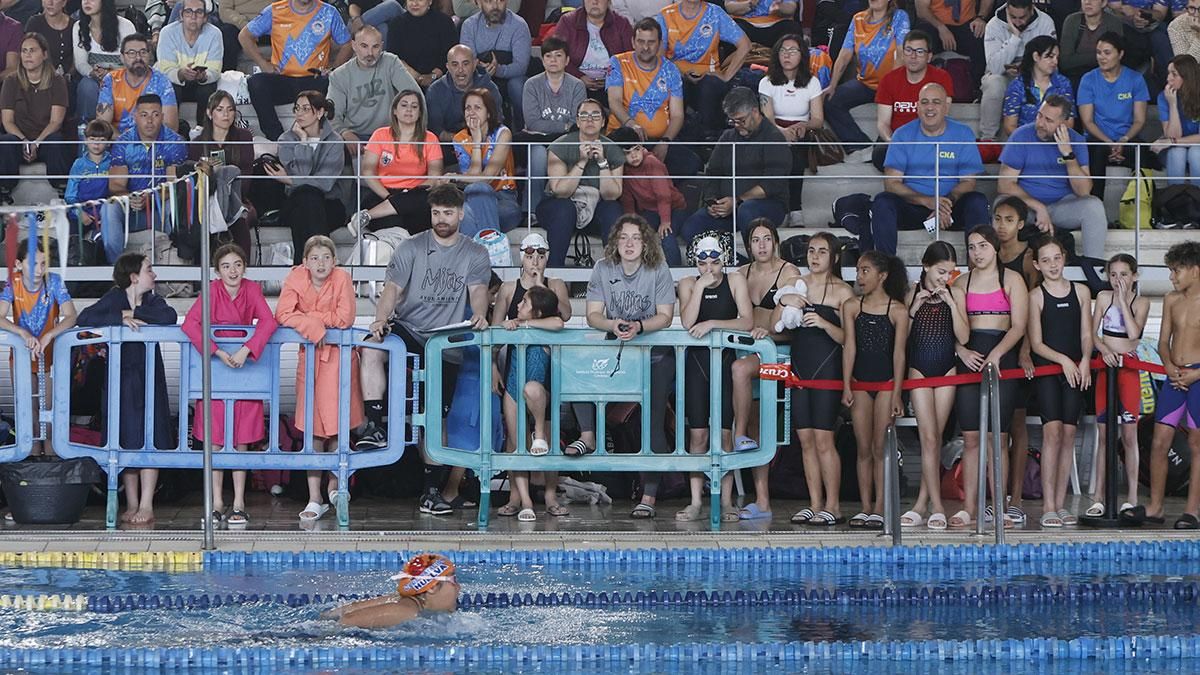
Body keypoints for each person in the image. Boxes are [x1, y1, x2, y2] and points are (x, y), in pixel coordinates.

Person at [357, 184, 492, 517]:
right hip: (410, 329)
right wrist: (379, 319)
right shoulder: (411, 247)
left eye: (447, 213)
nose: (441, 219)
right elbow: (392, 290)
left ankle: (432, 492)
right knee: (372, 344)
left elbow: (478, 292)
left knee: (435, 418)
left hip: (444, 340)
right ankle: (373, 424)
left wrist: (479, 313)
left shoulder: (475, 253)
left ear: (460, 214)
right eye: (436, 213)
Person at [578, 214, 676, 520]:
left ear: (645, 241)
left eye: (636, 237)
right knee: (576, 374)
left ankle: (649, 494)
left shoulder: (658, 268)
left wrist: (639, 326)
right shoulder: (603, 268)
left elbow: (665, 316)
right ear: (615, 242)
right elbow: (593, 314)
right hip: (616, 345)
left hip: (653, 349)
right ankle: (587, 434)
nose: (630, 243)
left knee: (653, 420)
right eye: (624, 238)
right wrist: (613, 323)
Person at [74, 253, 176, 524]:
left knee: (150, 437)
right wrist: (120, 317)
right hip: (120, 379)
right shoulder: (114, 298)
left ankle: (147, 504)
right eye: (149, 269)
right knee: (124, 437)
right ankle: (131, 502)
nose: (153, 274)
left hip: (149, 378)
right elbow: (85, 317)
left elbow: (169, 316)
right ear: (134, 277)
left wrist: (137, 313)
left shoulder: (154, 302)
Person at [182, 243, 277, 527]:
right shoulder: (211, 290)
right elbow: (190, 324)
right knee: (215, 440)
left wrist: (246, 349)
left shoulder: (252, 289)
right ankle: (215, 502)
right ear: (217, 271)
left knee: (241, 441)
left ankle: (238, 501)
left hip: (244, 370)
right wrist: (218, 351)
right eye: (226, 266)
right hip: (217, 369)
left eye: (237, 264)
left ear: (244, 267)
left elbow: (269, 322)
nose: (232, 271)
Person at [275, 235, 362, 523]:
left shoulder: (342, 278)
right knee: (312, 430)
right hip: (310, 360)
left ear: (334, 260)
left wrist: (310, 316)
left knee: (337, 428)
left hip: (338, 361)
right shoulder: (295, 278)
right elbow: (283, 313)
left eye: (326, 257)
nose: (321, 263)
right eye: (315, 258)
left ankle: (336, 489)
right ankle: (315, 498)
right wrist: (312, 324)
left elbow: (345, 317)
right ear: (305, 262)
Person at [772, 231, 855, 526]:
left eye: (821, 251)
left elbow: (848, 339)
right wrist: (785, 302)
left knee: (824, 439)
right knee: (805, 440)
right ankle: (814, 503)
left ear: (833, 257)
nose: (815, 256)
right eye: (811, 251)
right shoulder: (798, 285)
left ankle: (833, 505)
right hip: (800, 370)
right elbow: (775, 325)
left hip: (828, 372)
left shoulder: (843, 292)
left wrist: (822, 322)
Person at [949, 226, 1029, 528]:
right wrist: (961, 351)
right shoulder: (961, 283)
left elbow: (1019, 325)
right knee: (970, 437)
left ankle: (998, 506)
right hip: (971, 359)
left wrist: (997, 354)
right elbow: (952, 326)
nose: (977, 252)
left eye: (982, 246)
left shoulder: (1012, 279)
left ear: (995, 248)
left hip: (1002, 358)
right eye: (971, 247)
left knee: (998, 437)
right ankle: (969, 507)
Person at [491, 232, 572, 520]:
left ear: (548, 256)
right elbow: (495, 330)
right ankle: (518, 498)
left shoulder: (556, 285)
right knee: (516, 440)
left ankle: (549, 495)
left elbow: (564, 316)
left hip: (547, 372)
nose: (534, 259)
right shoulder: (508, 289)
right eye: (529, 254)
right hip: (514, 367)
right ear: (520, 256)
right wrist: (492, 368)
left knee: (547, 435)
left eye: (540, 254)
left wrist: (539, 285)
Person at [673, 234, 754, 521]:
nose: (709, 267)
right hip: (696, 366)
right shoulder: (687, 283)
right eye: (702, 261)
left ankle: (727, 500)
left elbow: (747, 321)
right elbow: (686, 321)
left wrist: (712, 324)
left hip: (724, 364)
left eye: (715, 260)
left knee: (724, 435)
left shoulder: (735, 281)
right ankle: (696, 501)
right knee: (698, 434)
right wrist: (699, 289)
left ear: (725, 260)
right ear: (695, 262)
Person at [868, 82, 988, 255]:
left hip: (950, 207)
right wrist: (927, 201)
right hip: (913, 207)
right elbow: (892, 183)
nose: (929, 107)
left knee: (977, 201)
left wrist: (945, 204)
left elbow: (968, 182)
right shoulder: (902, 134)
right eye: (924, 102)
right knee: (883, 201)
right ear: (917, 107)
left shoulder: (963, 133)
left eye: (936, 102)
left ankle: (977, 269)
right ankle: (887, 269)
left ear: (946, 107)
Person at [900, 241, 968, 530]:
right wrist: (914, 308)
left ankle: (922, 503)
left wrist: (951, 302)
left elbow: (963, 337)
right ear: (926, 266)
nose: (945, 278)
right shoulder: (910, 293)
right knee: (928, 438)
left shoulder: (956, 293)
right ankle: (934, 505)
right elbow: (900, 338)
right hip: (919, 370)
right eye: (941, 271)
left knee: (936, 438)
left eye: (950, 273)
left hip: (946, 369)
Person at [1027, 235, 1092, 528]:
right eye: (1046, 260)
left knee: (1068, 435)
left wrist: (1085, 360)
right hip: (1049, 373)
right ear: (1037, 264)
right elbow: (1037, 343)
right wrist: (1064, 360)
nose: (1052, 265)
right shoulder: (1036, 296)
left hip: (1076, 372)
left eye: (1057, 258)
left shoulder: (1081, 292)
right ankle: (1048, 504)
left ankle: (1062, 502)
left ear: (1064, 258)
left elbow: (1086, 335)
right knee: (1051, 434)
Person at [841, 251, 909, 530]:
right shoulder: (851, 306)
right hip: (860, 383)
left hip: (885, 385)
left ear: (882, 275)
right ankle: (866, 506)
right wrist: (846, 384)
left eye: (865, 271)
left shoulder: (898, 310)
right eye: (858, 270)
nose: (859, 276)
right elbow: (849, 348)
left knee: (881, 447)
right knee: (863, 447)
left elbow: (899, 355)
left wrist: (896, 393)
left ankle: (881, 506)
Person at [997, 95, 1108, 260]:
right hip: (1026, 207)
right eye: (1039, 115)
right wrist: (1039, 207)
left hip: (1061, 206)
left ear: (1063, 124)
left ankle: (1094, 267)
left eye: (1048, 120)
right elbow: (1005, 185)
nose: (1040, 123)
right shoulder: (1021, 135)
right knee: (1000, 205)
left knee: (1094, 206)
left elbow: (1084, 191)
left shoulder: (1076, 140)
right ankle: (1001, 266)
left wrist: (1068, 154)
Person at [680, 86, 790, 244]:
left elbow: (773, 184)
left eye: (741, 120)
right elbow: (713, 172)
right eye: (733, 121)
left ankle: (753, 262)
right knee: (691, 228)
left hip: (766, 205)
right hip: (728, 207)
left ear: (754, 111)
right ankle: (731, 258)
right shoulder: (728, 136)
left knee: (747, 210)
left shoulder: (774, 137)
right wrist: (713, 201)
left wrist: (737, 200)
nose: (737, 125)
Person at [1140, 242, 1200, 529]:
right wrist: (1167, 366)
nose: (1171, 277)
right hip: (1174, 376)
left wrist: (1195, 375)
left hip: (1198, 377)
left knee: (1196, 444)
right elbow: (1164, 341)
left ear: (1195, 271)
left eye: (1176, 270)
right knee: (1159, 440)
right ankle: (1156, 506)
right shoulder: (1171, 299)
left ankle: (1192, 511)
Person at [0, 238, 77, 458]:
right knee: (29, 411)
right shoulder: (12, 283)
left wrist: (51, 334)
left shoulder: (54, 281)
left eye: (44, 264)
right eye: (33, 263)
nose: (39, 269)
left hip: (50, 356)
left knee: (51, 410)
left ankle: (52, 457)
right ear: (18, 264)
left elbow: (71, 315)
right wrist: (22, 333)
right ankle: (33, 459)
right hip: (21, 357)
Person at [1088, 253, 1150, 519]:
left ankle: (1132, 497)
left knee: (1129, 436)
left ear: (1134, 276)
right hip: (1106, 368)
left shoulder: (1141, 302)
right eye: (1113, 275)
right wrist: (1103, 351)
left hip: (1129, 371)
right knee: (1104, 435)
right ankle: (1099, 497)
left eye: (1124, 274)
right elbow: (1093, 334)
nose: (1118, 280)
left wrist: (1124, 301)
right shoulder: (1102, 298)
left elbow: (1135, 334)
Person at [731, 219, 797, 457]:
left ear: (776, 243)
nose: (762, 245)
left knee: (740, 369)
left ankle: (738, 434)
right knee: (756, 424)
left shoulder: (788, 272)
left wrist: (769, 333)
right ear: (749, 246)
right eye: (756, 240)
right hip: (748, 350)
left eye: (767, 239)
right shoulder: (741, 273)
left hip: (777, 353)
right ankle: (762, 495)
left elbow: (793, 323)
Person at [241, 0, 351, 141]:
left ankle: (327, 140)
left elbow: (347, 43)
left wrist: (334, 69)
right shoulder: (275, 10)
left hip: (315, 80)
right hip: (282, 79)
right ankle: (277, 138)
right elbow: (244, 36)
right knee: (255, 82)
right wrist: (263, 63)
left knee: (335, 82)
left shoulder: (329, 12)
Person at [605, 17, 700, 178]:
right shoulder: (618, 62)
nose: (646, 47)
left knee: (691, 162)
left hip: (658, 140)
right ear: (633, 42)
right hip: (623, 137)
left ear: (659, 44)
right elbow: (614, 102)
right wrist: (631, 124)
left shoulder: (671, 69)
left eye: (651, 42)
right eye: (641, 41)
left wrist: (665, 142)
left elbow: (677, 115)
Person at [992, 195, 1038, 521]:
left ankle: (1017, 496)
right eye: (998, 219)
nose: (1002, 226)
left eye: (1009, 219)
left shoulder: (1027, 258)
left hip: (1019, 347)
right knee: (994, 425)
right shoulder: (988, 255)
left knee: (1017, 423)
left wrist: (1025, 351)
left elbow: (1032, 310)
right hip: (993, 347)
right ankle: (993, 495)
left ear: (1021, 223)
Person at [537, 97, 625, 266]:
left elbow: (612, 194)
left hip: (595, 207)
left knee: (612, 209)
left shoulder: (613, 148)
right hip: (557, 208)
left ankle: (614, 271)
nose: (589, 120)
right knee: (565, 208)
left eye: (595, 115)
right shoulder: (559, 145)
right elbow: (560, 191)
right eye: (584, 116)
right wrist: (582, 162)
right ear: (577, 121)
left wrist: (602, 162)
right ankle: (555, 272)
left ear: (603, 122)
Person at [101, 94, 187, 263]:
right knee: (109, 207)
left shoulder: (175, 142)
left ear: (162, 116)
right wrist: (130, 197)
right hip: (132, 210)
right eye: (144, 115)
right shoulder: (123, 143)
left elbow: (173, 185)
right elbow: (116, 184)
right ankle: (117, 269)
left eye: (155, 115)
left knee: (177, 204)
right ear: (135, 117)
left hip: (160, 210)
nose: (149, 121)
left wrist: (151, 199)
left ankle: (175, 264)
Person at [265, 90, 346, 264]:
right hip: (295, 202)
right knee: (306, 198)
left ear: (320, 112)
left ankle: (303, 266)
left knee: (307, 203)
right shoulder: (286, 139)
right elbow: (302, 174)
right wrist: (303, 141)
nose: (299, 113)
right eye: (296, 108)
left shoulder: (335, 141)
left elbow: (325, 184)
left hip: (329, 204)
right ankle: (323, 261)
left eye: (305, 109)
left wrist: (291, 180)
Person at [349, 90, 443, 235]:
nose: (409, 110)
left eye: (414, 106)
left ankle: (367, 216)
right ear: (394, 110)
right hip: (382, 194)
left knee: (421, 206)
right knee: (395, 225)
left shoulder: (430, 138)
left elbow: (435, 177)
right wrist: (389, 198)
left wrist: (409, 194)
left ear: (420, 112)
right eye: (404, 105)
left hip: (416, 194)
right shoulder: (380, 134)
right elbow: (368, 172)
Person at [824, 0, 910, 155]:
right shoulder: (857, 19)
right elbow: (844, 55)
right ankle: (860, 145)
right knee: (830, 101)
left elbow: (901, 53)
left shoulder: (900, 17)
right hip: (865, 83)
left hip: (892, 85)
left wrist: (891, 86)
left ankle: (883, 150)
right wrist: (833, 84)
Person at [656, 0, 751, 135]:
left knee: (709, 85)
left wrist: (726, 76)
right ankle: (675, 137)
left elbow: (745, 45)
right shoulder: (665, 15)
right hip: (677, 76)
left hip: (709, 78)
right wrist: (682, 73)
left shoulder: (715, 13)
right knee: (675, 84)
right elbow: (659, 59)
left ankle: (708, 138)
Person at [1077, 31, 1151, 201]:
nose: (1101, 57)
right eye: (1098, 52)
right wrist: (1109, 142)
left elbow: (1140, 120)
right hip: (1098, 138)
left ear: (1121, 54)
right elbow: (1087, 121)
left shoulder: (1135, 79)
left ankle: (1142, 210)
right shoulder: (1088, 79)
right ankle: (1095, 207)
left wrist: (1123, 140)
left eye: (1107, 53)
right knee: (1096, 151)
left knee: (1142, 152)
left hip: (1127, 136)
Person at [758, 34, 824, 217]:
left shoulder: (812, 82)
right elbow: (767, 118)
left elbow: (818, 119)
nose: (787, 55)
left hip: (801, 130)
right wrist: (782, 132)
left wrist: (804, 125)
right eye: (783, 51)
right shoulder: (766, 82)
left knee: (797, 148)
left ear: (802, 54)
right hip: (773, 129)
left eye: (792, 51)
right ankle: (778, 204)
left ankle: (795, 208)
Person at [327, 25, 421, 150]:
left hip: (391, 135)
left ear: (382, 46)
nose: (370, 53)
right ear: (354, 46)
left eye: (375, 47)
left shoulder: (391, 62)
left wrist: (409, 131)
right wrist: (345, 133)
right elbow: (332, 115)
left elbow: (415, 96)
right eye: (364, 46)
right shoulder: (338, 76)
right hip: (357, 137)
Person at [870, 29, 952, 171]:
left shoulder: (941, 78)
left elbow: (942, 117)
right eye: (909, 50)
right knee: (880, 155)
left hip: (930, 137)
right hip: (897, 139)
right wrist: (894, 143)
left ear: (929, 56)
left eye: (920, 51)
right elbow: (883, 124)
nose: (913, 56)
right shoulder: (889, 80)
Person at [0, 32, 70, 199]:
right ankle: (4, 190)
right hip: (19, 139)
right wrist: (25, 142)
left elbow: (56, 122)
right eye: (24, 51)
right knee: (6, 140)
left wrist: (37, 143)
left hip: (44, 139)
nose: (27, 55)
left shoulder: (57, 81)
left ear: (44, 54)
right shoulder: (11, 81)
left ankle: (61, 190)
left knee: (56, 139)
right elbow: (7, 121)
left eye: (32, 50)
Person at [521, 36, 585, 212]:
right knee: (538, 156)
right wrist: (563, 126)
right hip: (539, 142)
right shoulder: (531, 85)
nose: (553, 60)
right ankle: (531, 211)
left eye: (558, 55)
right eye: (548, 56)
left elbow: (577, 123)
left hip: (568, 141)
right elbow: (533, 122)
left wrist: (556, 128)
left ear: (567, 60)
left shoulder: (577, 86)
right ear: (542, 60)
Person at [609, 125, 687, 266]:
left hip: (674, 207)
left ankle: (676, 274)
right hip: (651, 210)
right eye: (627, 153)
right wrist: (630, 223)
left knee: (666, 235)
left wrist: (665, 222)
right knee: (636, 234)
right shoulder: (623, 169)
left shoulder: (652, 162)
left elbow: (663, 195)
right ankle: (639, 271)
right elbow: (627, 200)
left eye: (637, 149)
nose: (634, 155)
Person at [447, 87, 520, 235]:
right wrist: (476, 142)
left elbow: (486, 179)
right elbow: (474, 177)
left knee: (468, 210)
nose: (471, 112)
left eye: (477, 107)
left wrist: (454, 177)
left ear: (489, 113)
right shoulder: (459, 138)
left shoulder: (502, 133)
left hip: (503, 199)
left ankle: (478, 255)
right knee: (472, 197)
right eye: (468, 108)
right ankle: (491, 250)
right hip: (472, 197)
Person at [980, 0, 1057, 141]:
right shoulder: (994, 25)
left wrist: (1026, 68)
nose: (1018, 22)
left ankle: (1042, 136)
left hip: (1035, 76)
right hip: (1003, 77)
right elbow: (994, 67)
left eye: (1022, 17)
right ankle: (988, 139)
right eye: (1013, 17)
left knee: (1053, 80)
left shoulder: (1045, 22)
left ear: (1031, 9)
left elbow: (1051, 61)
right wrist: (1014, 38)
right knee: (993, 82)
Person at [188, 90, 253, 254]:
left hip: (238, 200)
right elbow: (193, 180)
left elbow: (246, 176)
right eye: (220, 109)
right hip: (207, 201)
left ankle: (243, 269)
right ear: (210, 113)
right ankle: (203, 273)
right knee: (203, 219)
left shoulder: (244, 137)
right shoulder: (197, 143)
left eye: (230, 109)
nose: (226, 114)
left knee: (239, 219)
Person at [321, 553, 459, 628]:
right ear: (432, 587)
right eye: (453, 581)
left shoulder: (400, 600)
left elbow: (341, 611)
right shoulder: (407, 611)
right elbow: (348, 619)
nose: (459, 588)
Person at [459, 0, 530, 126]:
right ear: (479, 3)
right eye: (489, 2)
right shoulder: (469, 25)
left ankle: (523, 129)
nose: (495, 7)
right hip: (479, 75)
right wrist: (482, 69)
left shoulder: (519, 25)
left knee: (518, 85)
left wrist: (498, 70)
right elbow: (467, 62)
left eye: (500, 1)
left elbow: (521, 66)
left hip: (510, 78)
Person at [155, 0, 221, 127]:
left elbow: (215, 70)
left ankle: (202, 131)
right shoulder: (167, 33)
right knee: (170, 88)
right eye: (188, 12)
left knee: (208, 89)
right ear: (181, 15)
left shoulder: (214, 34)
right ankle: (170, 132)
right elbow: (165, 70)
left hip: (201, 82)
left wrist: (203, 76)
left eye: (199, 12)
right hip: (176, 81)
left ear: (206, 17)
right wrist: (181, 73)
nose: (193, 16)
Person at [97, 33, 178, 134]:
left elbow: (171, 127)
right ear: (122, 57)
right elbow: (103, 124)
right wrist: (125, 143)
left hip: (152, 143)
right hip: (118, 142)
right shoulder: (111, 80)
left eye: (143, 52)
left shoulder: (162, 82)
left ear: (150, 55)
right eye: (131, 53)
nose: (138, 57)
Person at [551, 0, 633, 96]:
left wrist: (612, 78)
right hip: (574, 84)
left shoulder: (622, 24)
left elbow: (630, 59)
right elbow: (556, 55)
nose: (595, 2)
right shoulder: (567, 22)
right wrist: (579, 77)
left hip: (614, 86)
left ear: (609, 2)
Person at [72, 0, 136, 122]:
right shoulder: (78, 27)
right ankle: (88, 131)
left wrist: (111, 75)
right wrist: (93, 73)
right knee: (86, 86)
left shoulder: (126, 26)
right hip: (94, 78)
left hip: (122, 77)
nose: (86, 2)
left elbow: (132, 61)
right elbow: (80, 63)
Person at [426, 44, 502, 144]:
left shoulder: (489, 88)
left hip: (484, 144)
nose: (460, 70)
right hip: (448, 146)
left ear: (475, 64)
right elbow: (436, 131)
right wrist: (464, 140)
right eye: (455, 64)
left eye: (465, 64)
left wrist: (476, 142)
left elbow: (497, 126)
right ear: (448, 67)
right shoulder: (435, 91)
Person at [1001, 36, 1074, 137]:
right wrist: (1032, 143)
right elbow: (1010, 126)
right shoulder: (1017, 86)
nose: (1055, 62)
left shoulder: (1064, 84)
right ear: (1036, 56)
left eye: (1057, 57)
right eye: (1050, 56)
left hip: (1055, 143)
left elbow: (1069, 122)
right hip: (1026, 145)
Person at [912, 0, 987, 88]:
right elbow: (921, 10)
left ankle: (976, 89)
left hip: (967, 23)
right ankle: (918, 87)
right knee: (919, 42)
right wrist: (941, 27)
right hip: (934, 23)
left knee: (981, 38)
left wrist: (981, 17)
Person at [382, 0, 457, 88]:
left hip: (441, 80)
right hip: (406, 79)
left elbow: (450, 55)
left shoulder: (445, 22)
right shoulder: (396, 24)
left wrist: (433, 76)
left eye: (420, 0)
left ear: (430, 1)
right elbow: (394, 57)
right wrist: (417, 77)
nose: (414, 3)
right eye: (411, 0)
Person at [1154, 55, 1200, 185]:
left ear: (1187, 77)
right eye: (1168, 73)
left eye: (1174, 74)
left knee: (1196, 152)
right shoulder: (1164, 97)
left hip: (1195, 147)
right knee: (1176, 152)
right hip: (1173, 147)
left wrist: (1173, 141)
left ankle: (1196, 201)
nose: (1168, 78)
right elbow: (1172, 135)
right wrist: (1172, 104)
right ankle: (1175, 201)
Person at [1060, 0, 1123, 86]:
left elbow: (1115, 59)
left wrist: (1078, 58)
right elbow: (1065, 61)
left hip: (1105, 77)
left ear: (1103, 3)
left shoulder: (1113, 23)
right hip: (1075, 77)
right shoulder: (1072, 21)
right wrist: (1101, 56)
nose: (1087, 2)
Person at [65, 118, 112, 230]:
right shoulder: (79, 164)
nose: (96, 144)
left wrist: (105, 214)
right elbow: (70, 196)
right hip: (81, 212)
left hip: (105, 213)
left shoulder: (113, 162)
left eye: (101, 140)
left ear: (109, 142)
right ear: (85, 140)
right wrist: (80, 213)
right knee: (73, 237)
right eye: (92, 139)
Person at [25, 0, 77, 79]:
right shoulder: (34, 23)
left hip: (70, 79)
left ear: (64, 2)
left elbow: (77, 58)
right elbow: (28, 54)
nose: (50, 3)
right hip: (41, 78)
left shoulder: (75, 26)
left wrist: (69, 75)